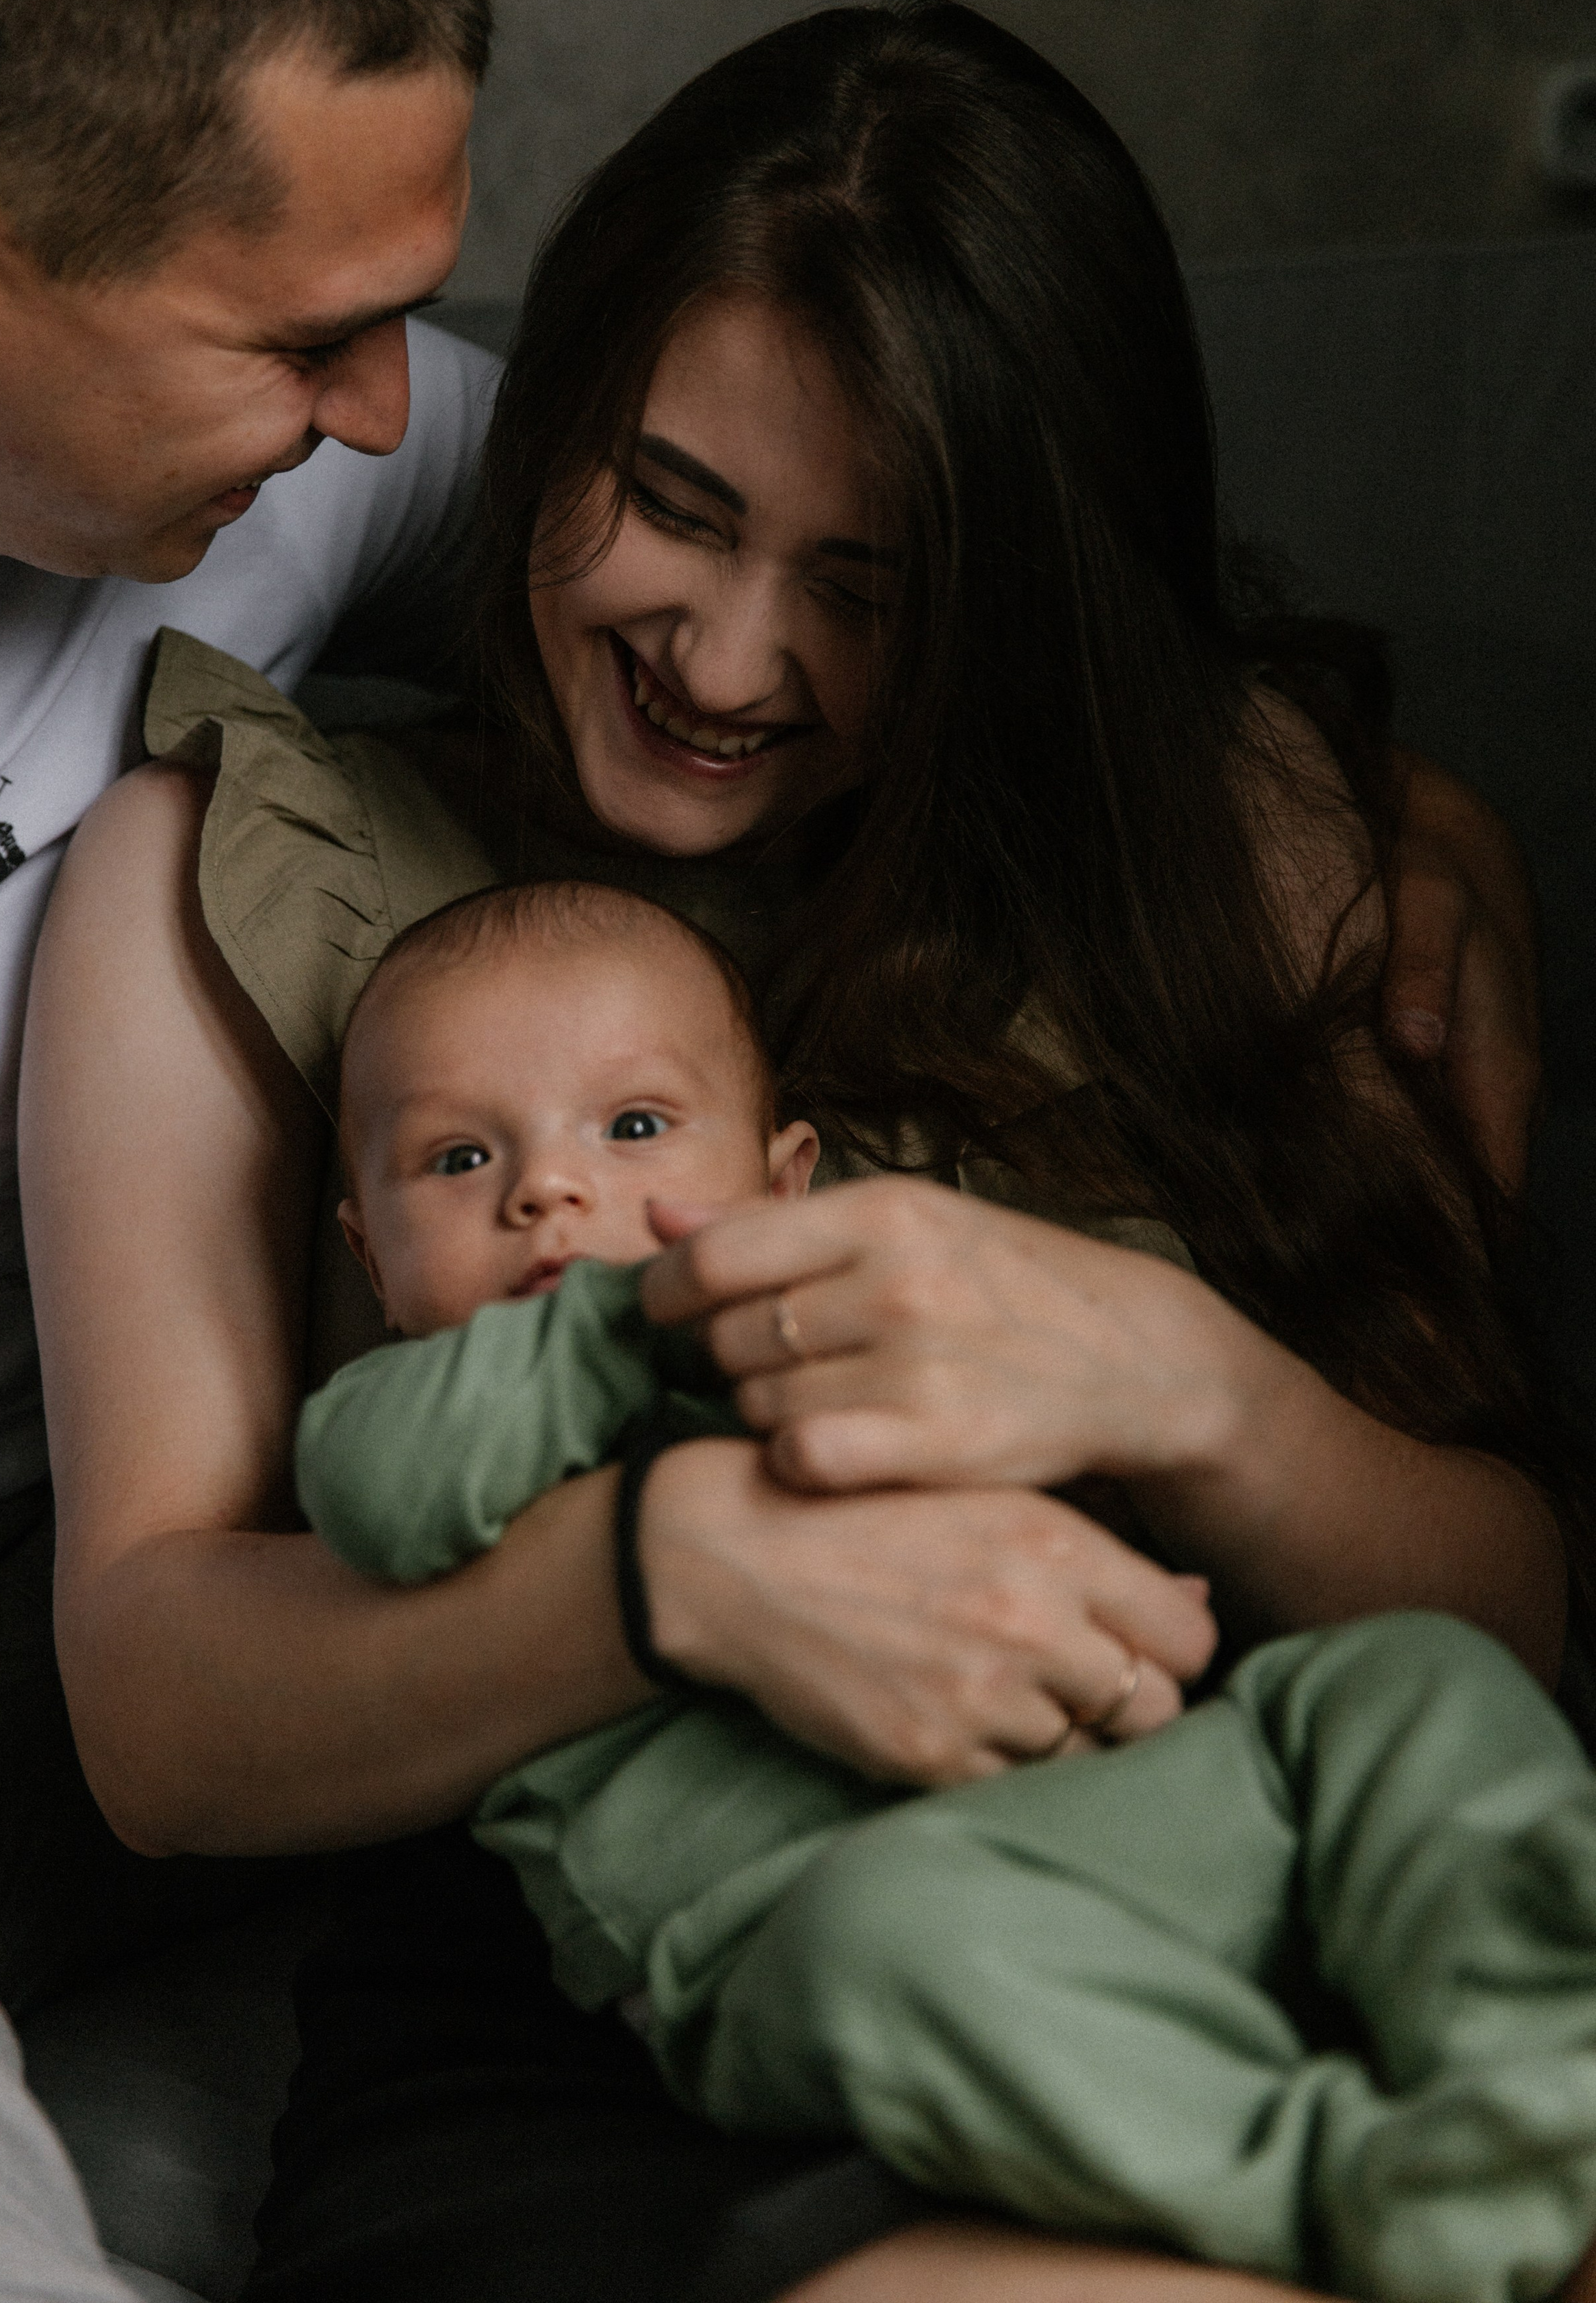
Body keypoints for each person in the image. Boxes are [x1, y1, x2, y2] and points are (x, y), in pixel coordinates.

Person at [22, 0, 1573, 2303]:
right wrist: (668, 1570)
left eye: (867, 589)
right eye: (673, 503)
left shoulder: (1213, 849)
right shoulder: (237, 873)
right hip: (644, 2018)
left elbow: (1515, 1635)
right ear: (552, 412)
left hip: (1247, 1874)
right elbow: (156, 1718)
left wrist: (1185, 1382)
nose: (730, 661)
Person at [300, 875, 1596, 2303]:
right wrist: (637, 1306)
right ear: (369, 1250)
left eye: (632, 1129)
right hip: (843, 1929)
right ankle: (1364, 2187)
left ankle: (1524, 2064)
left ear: (785, 1182)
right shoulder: (406, 1422)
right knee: (888, 1943)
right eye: (457, 1161)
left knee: (1401, 1681)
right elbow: (374, 1492)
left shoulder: (861, 1318)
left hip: (1163, 1791)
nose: (548, 1190)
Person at [0, 0, 495, 2289]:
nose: (377, 418)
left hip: (220, 1544)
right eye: (298, 336)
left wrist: (1310, 768)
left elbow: (793, 551)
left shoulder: (282, 452)